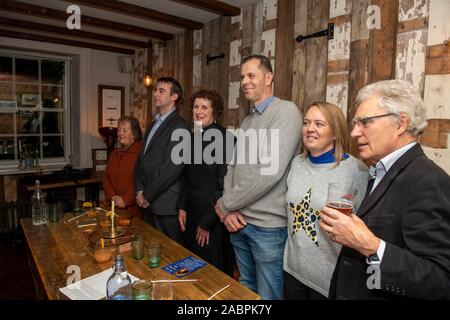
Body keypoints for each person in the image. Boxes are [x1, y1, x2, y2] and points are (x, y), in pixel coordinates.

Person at [321, 79, 450, 299]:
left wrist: (370, 245)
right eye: (355, 123)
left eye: (364, 122)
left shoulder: (428, 181)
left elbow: (441, 280)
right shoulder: (379, 170)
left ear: (400, 124)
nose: (354, 132)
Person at [215, 54, 302, 300]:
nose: (245, 81)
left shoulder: (286, 112)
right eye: (242, 77)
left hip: (267, 228)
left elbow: (269, 172)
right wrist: (229, 210)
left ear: (269, 77)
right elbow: (232, 167)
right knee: (245, 290)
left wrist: (225, 204)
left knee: (268, 296)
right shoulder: (248, 120)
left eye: (251, 75)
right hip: (237, 221)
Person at [283, 102, 368, 300]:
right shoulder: (297, 163)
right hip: (293, 270)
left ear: (336, 132)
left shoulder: (356, 170)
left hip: (329, 280)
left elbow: (364, 227)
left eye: (319, 124)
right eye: (306, 123)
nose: (310, 128)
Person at [177, 89, 235, 275]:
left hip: (213, 219)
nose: (198, 111)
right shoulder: (192, 138)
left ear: (214, 111)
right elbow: (185, 177)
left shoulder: (225, 139)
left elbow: (223, 185)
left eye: (204, 107)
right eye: (195, 107)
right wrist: (182, 208)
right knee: (192, 268)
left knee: (213, 273)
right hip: (191, 215)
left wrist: (206, 223)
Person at [135, 77, 189, 244]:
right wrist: (139, 190)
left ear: (174, 97)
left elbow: (172, 169)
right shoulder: (152, 125)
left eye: (161, 91)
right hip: (147, 203)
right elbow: (140, 160)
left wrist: (148, 195)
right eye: (155, 90)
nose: (156, 94)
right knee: (151, 251)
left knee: (171, 255)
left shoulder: (180, 126)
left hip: (166, 206)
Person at [103, 116, 142, 219]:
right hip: (113, 208)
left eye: (124, 130)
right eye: (119, 130)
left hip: (133, 211)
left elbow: (143, 180)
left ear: (134, 133)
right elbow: (106, 178)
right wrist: (113, 197)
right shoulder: (114, 154)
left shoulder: (142, 154)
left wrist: (125, 200)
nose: (120, 134)